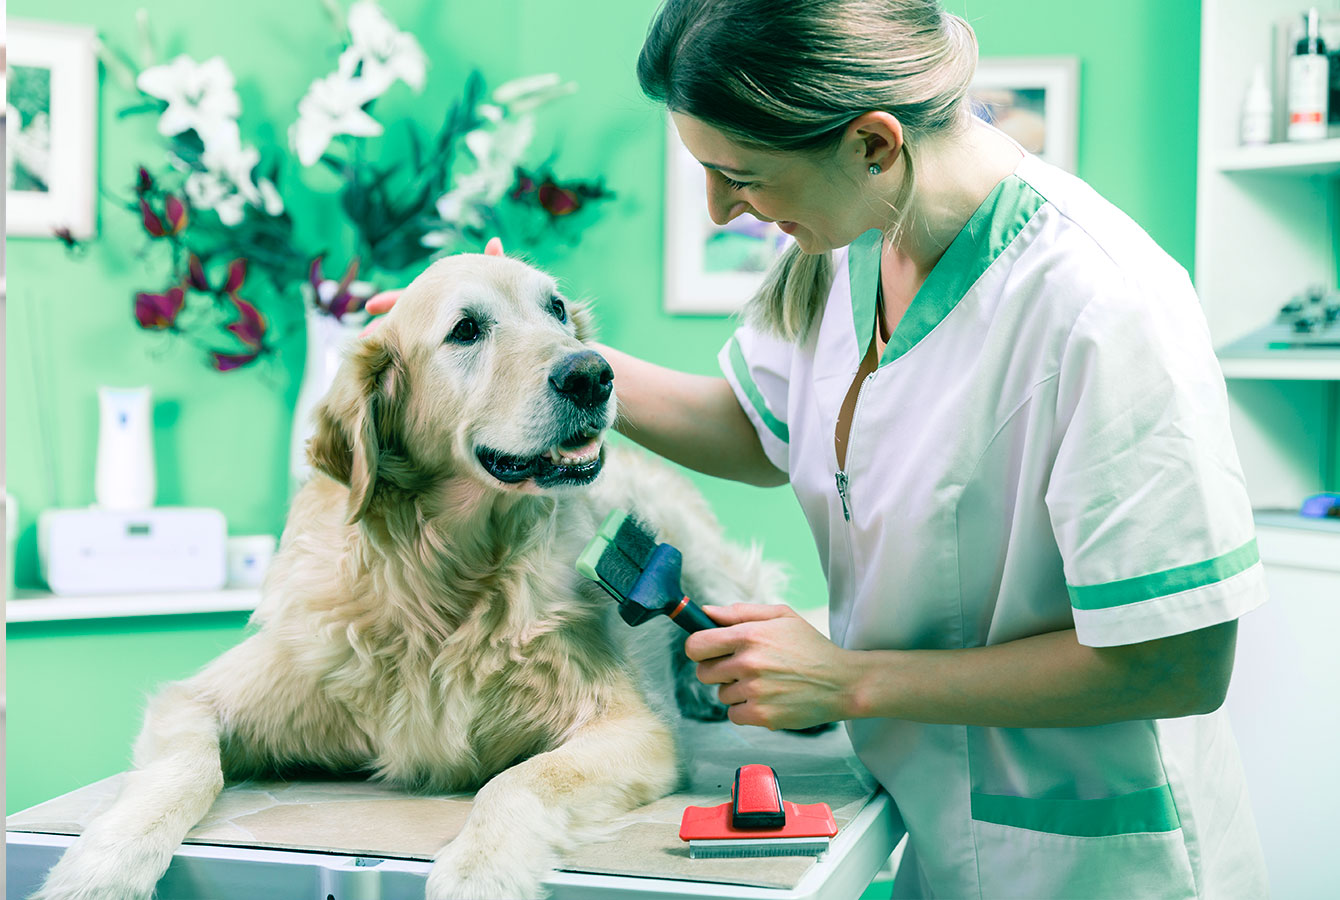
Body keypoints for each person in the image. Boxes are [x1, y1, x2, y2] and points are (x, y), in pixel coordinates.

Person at [368, 2, 1270, 896]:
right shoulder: (856, 243)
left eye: (741, 174)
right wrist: (542, 363)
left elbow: (1178, 661)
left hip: (1101, 857)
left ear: (873, 144)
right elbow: (761, 432)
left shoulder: (1105, 308)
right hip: (933, 827)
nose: (723, 211)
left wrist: (849, 681)